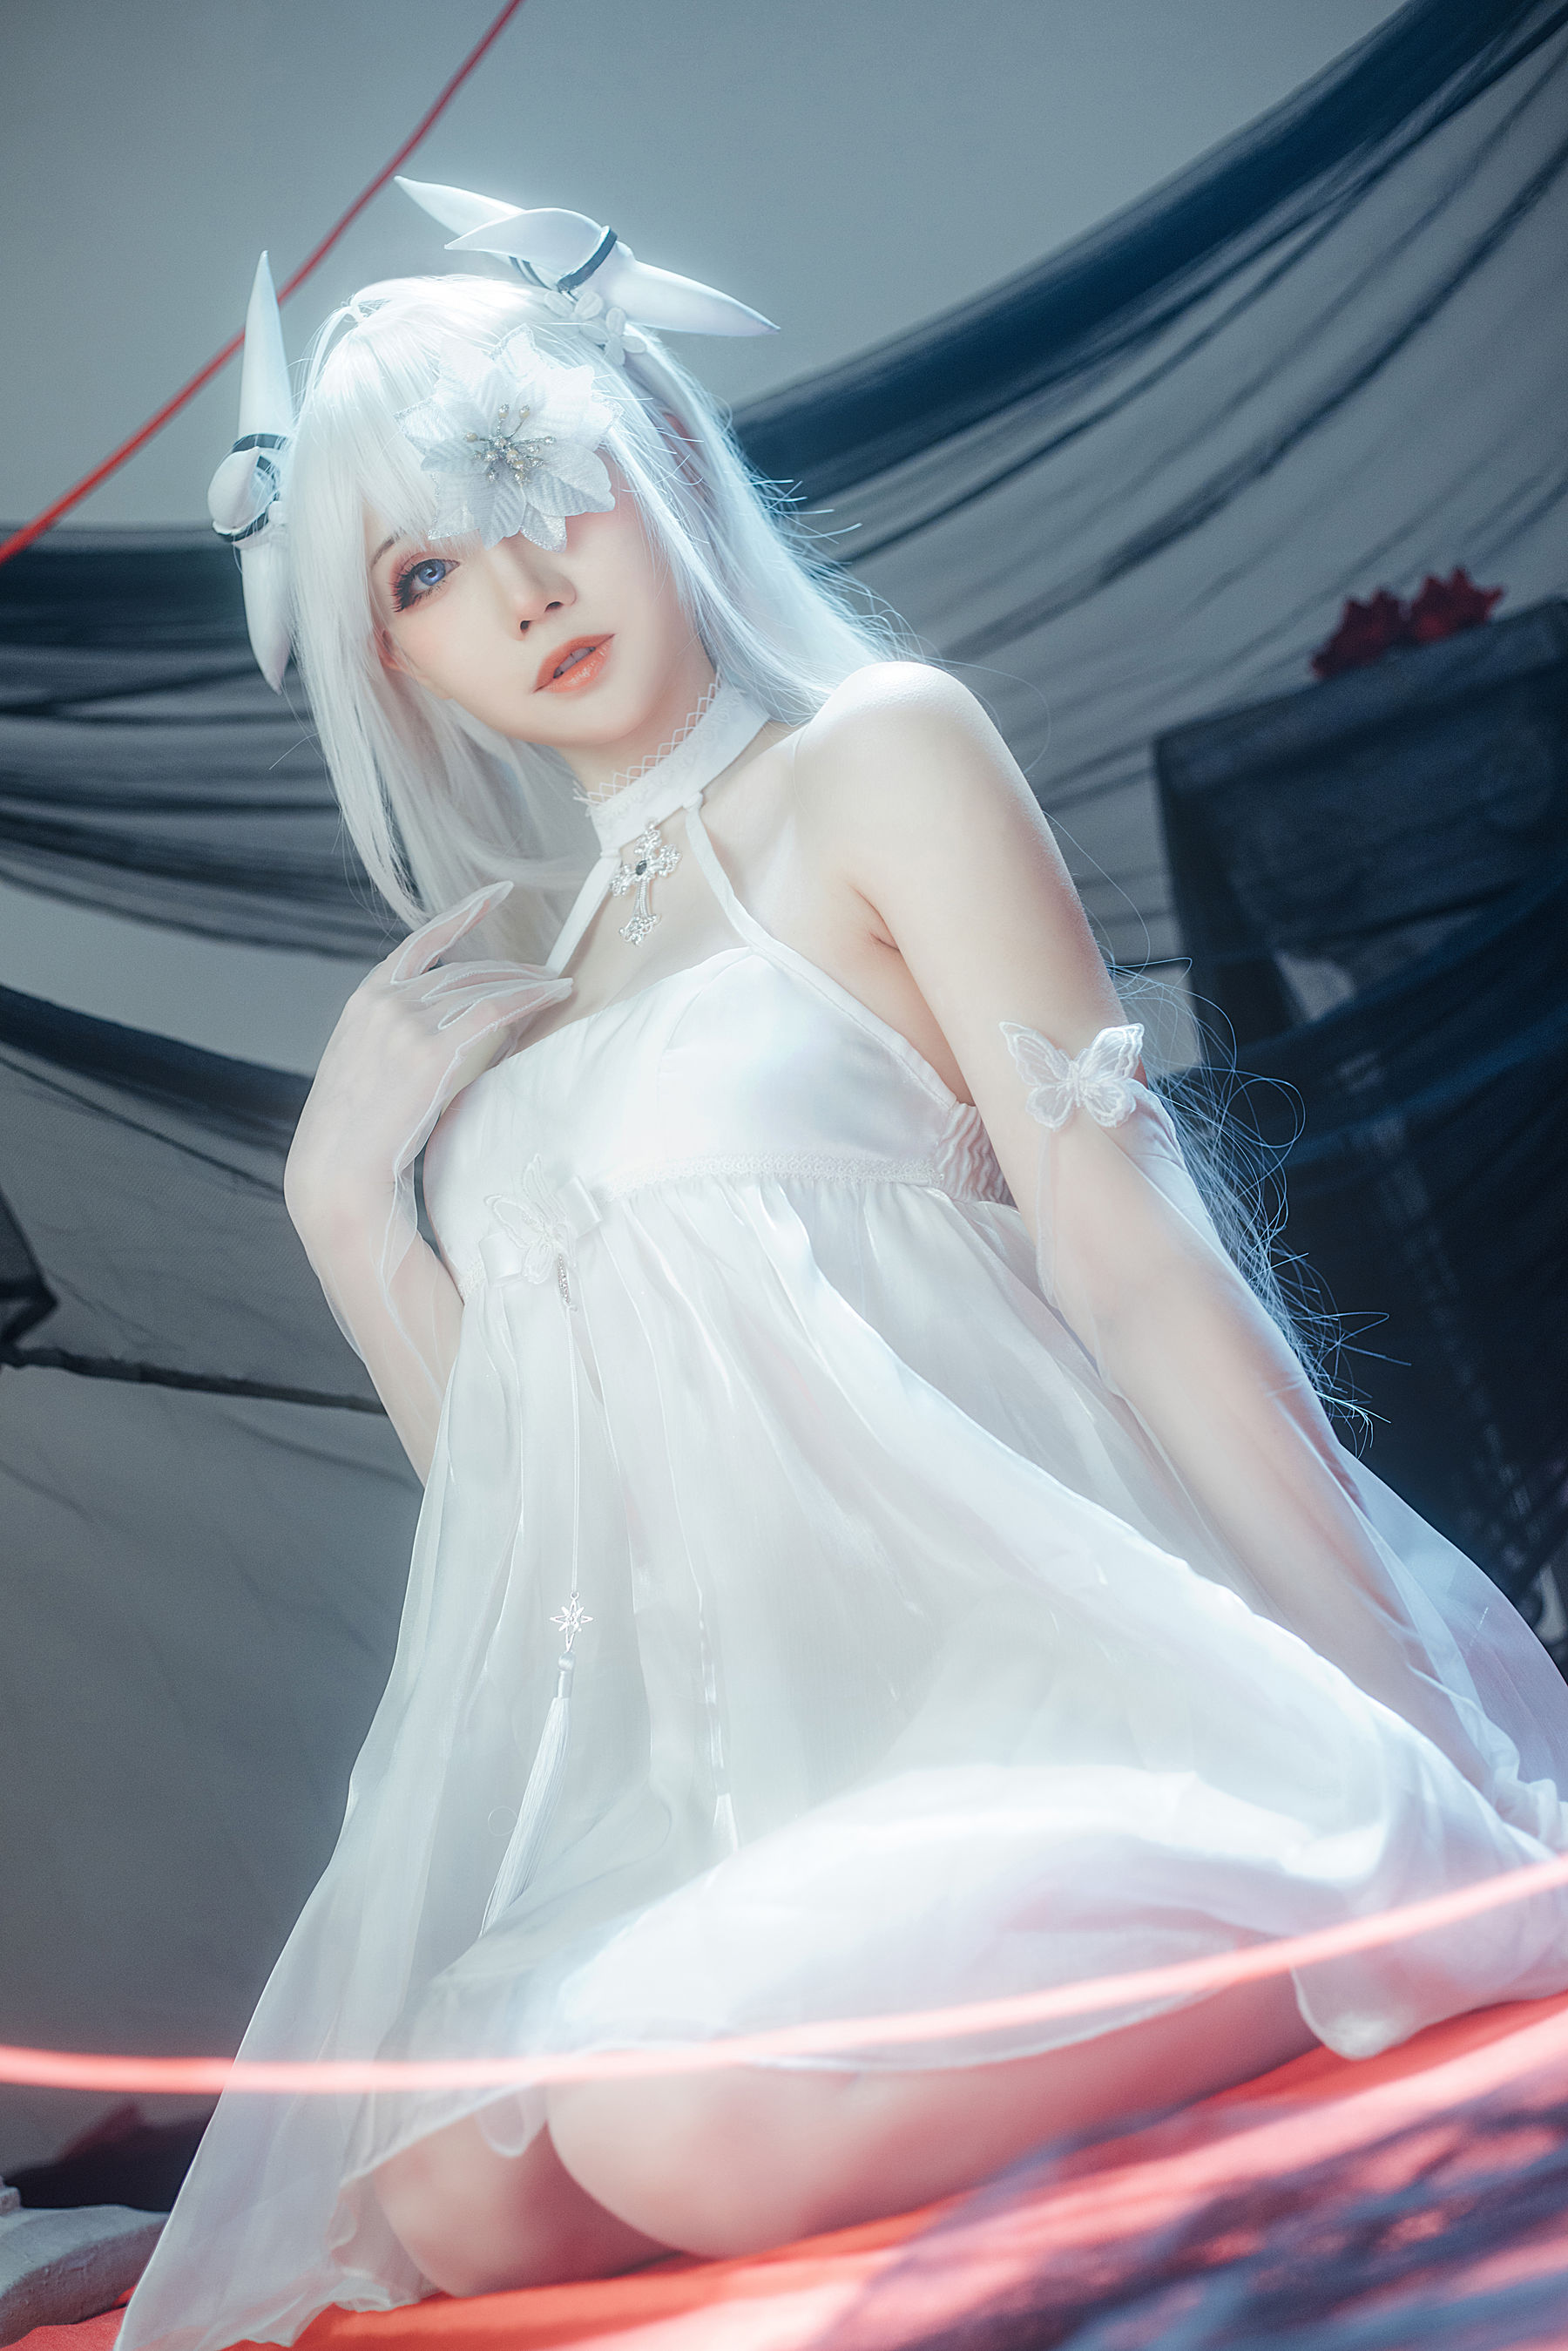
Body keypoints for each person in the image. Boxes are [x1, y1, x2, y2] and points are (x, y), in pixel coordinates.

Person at [122, 184, 1568, 2351]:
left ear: (657, 451)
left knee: (668, 2131)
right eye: (420, 571)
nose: (519, 586)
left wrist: (1410, 1718)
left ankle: (1347, 1870)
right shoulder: (524, 993)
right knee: (448, 2184)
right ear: (386, 652)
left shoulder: (874, 756)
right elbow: (548, 1525)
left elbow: (1131, 1246)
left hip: (1053, 1674)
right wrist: (349, 1217)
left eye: (533, 479)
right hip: (768, 1761)